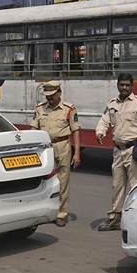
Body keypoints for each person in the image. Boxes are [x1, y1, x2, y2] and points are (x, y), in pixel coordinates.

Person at [95, 73, 137, 232]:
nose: (124, 88)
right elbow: (104, 121)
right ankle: (115, 218)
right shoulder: (112, 104)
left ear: (132, 86)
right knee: (117, 186)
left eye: (127, 85)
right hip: (118, 151)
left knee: (135, 187)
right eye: (122, 85)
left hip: (134, 151)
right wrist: (100, 132)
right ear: (118, 85)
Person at [31, 80, 81, 227]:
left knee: (62, 182)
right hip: (44, 147)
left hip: (62, 146)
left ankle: (61, 213)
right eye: (47, 95)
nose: (49, 98)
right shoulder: (40, 109)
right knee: (42, 180)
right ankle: (44, 210)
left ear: (59, 92)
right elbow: (33, 128)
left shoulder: (69, 109)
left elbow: (75, 131)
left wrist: (77, 153)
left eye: (52, 95)